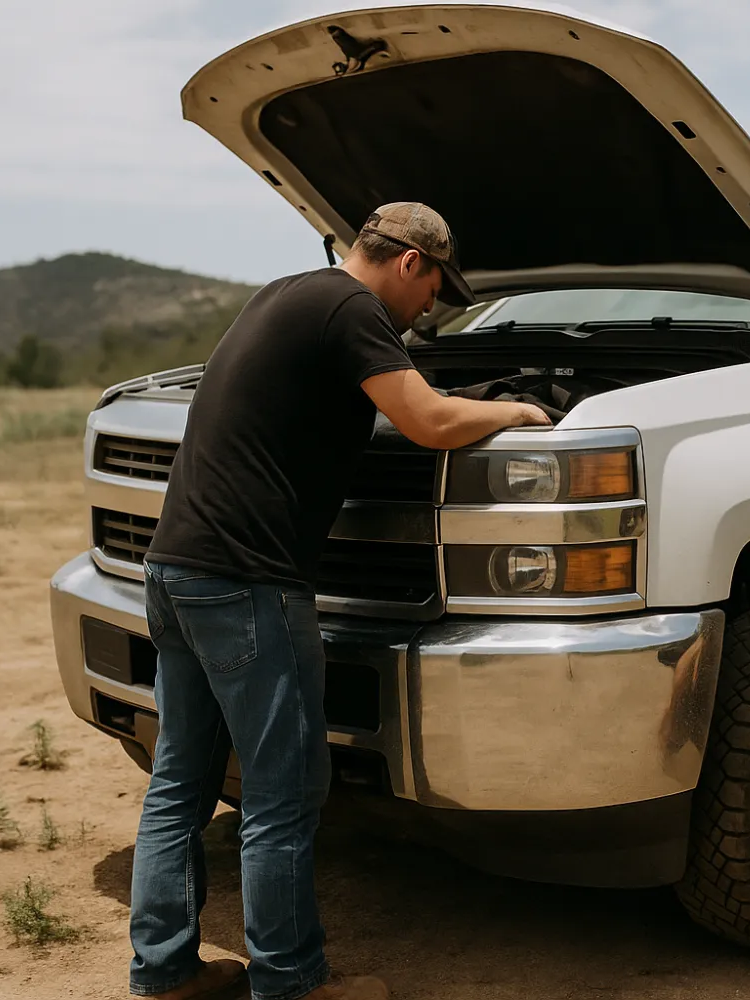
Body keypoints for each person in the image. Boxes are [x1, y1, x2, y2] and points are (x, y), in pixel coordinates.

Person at [129, 203, 549, 1000]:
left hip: (174, 570)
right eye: (434, 289)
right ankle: (292, 982)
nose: (429, 309)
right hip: (248, 582)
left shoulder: (288, 293)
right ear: (410, 262)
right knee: (283, 792)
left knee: (179, 781)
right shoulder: (356, 309)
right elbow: (428, 422)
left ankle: (165, 972)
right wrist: (517, 409)